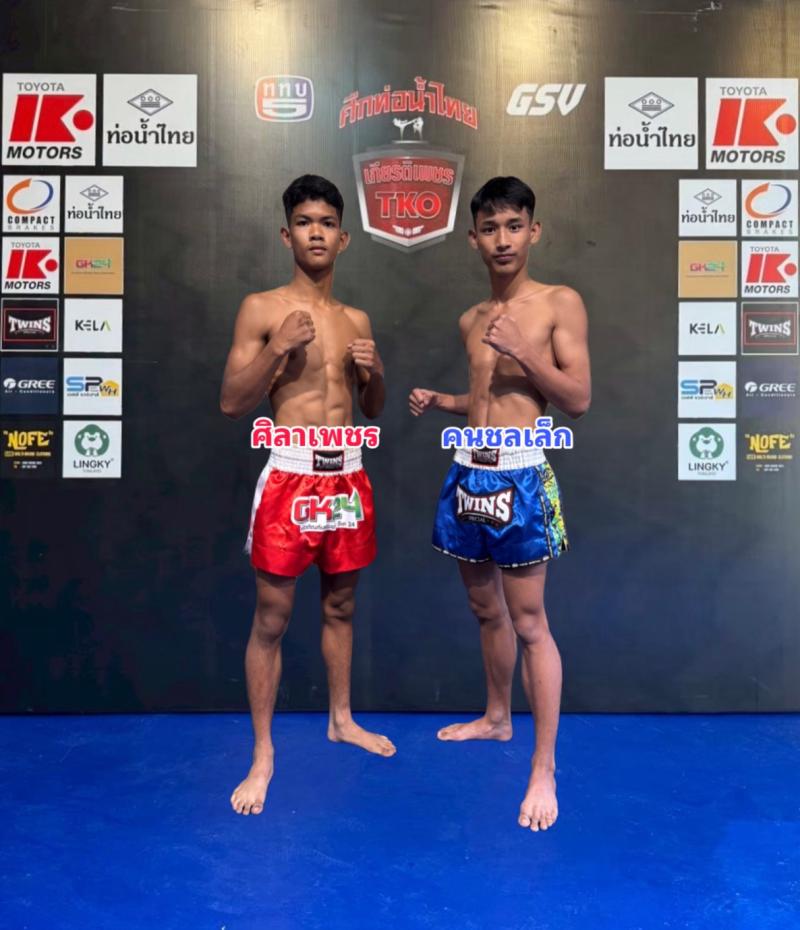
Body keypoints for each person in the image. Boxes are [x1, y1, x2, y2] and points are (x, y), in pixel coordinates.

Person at [409, 176, 591, 833]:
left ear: (533, 231)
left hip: (521, 478)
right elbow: (486, 398)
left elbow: (576, 398)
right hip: (468, 472)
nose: (503, 239)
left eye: (515, 226)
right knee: (485, 609)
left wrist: (523, 351)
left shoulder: (559, 303)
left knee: (530, 621)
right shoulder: (470, 319)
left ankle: (543, 768)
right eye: (490, 229)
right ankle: (496, 717)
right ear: (474, 239)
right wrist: (444, 401)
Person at [221, 174, 395, 817]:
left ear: (343, 238)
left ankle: (341, 719)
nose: (315, 232)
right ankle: (263, 754)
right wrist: (277, 349)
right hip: (291, 473)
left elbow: (371, 410)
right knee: (271, 617)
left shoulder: (357, 320)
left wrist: (376, 374)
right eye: (304, 222)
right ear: (286, 234)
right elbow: (232, 403)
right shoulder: (261, 309)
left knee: (341, 605)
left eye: (326, 222)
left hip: (346, 472)